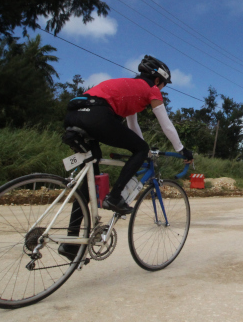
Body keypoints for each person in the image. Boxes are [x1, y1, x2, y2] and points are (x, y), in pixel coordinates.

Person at [63, 55, 194, 216]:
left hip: (73, 115)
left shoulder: (129, 87)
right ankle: (115, 196)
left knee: (89, 181)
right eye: (163, 86)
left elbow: (133, 125)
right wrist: (182, 149)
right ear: (158, 80)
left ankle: (71, 239)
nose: (161, 90)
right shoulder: (152, 90)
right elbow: (166, 125)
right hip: (97, 115)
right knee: (140, 149)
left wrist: (143, 150)